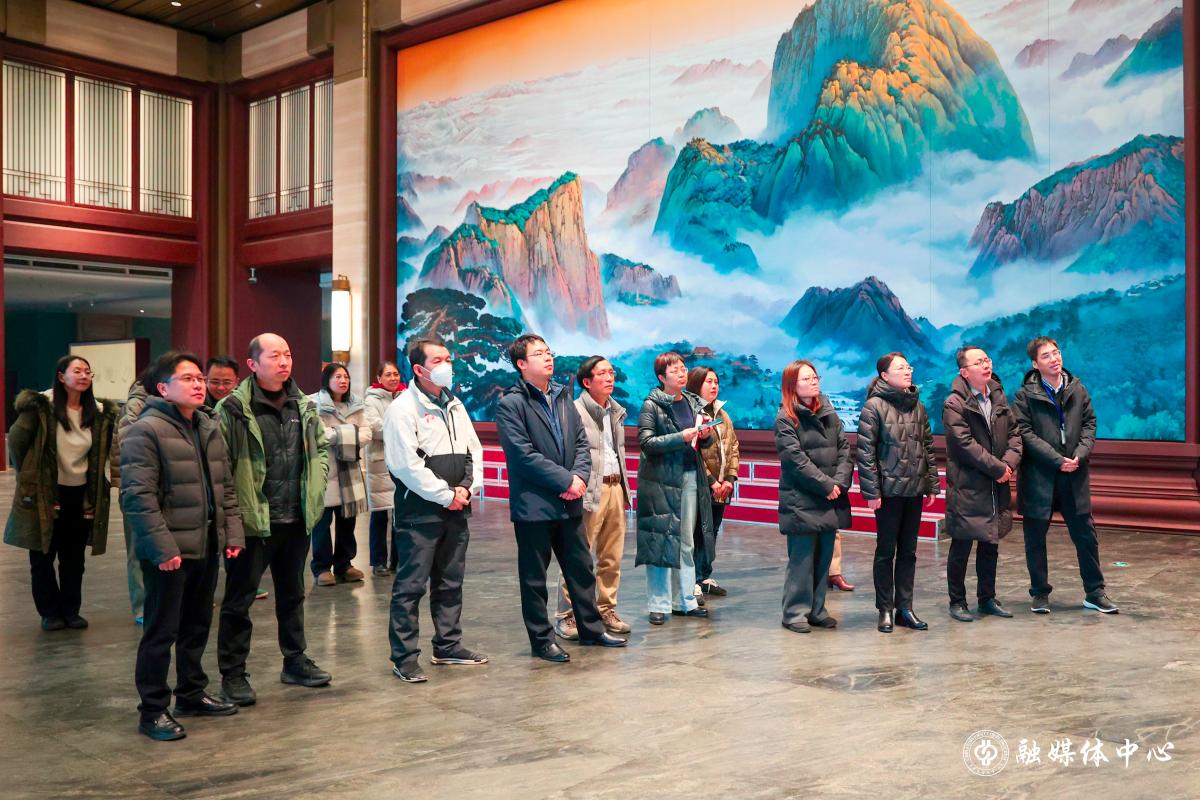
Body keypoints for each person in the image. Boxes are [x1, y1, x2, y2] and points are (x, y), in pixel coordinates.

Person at [121, 351, 246, 741]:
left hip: (205, 544)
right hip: (169, 551)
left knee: (196, 625)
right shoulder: (145, 430)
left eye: (199, 378)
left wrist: (232, 534)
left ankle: (191, 693)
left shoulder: (207, 426)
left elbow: (225, 489)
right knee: (161, 632)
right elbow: (138, 497)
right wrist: (163, 548)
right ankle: (153, 710)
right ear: (163, 388)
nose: (198, 385)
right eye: (187, 379)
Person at [493, 333, 628, 662]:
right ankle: (542, 640)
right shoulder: (511, 403)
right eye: (539, 354)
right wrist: (565, 480)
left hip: (570, 500)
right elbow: (522, 455)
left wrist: (578, 477)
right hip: (534, 505)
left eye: (548, 352)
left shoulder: (563, 396)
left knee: (581, 570)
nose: (548, 358)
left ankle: (591, 629)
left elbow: (582, 443)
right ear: (521, 364)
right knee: (534, 578)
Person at [215, 333, 332, 705]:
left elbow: (321, 449)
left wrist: (317, 485)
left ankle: (295, 660)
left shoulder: (304, 405)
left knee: (293, 595)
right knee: (239, 600)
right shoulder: (234, 408)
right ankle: (233, 674)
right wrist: (232, 518)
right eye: (274, 356)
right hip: (254, 520)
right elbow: (220, 466)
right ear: (253, 364)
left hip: (295, 517)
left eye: (288, 354)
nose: (284, 362)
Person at [384, 337, 488, 683]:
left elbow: (473, 451)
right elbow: (405, 465)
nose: (447, 366)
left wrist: (467, 489)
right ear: (418, 369)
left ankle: (448, 645)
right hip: (420, 513)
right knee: (411, 586)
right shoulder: (402, 408)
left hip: (457, 509)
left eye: (448, 359)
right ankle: (404, 657)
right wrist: (445, 495)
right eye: (438, 361)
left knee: (450, 581)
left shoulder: (455, 404)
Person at [5, 355, 118, 631]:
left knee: (74, 557)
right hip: (45, 492)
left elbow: (101, 453)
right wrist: (29, 476)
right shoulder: (40, 408)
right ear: (61, 376)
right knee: (42, 555)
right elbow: (17, 443)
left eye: (87, 372)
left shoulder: (98, 412)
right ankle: (49, 612)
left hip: (80, 494)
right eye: (77, 371)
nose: (84, 376)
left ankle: (70, 609)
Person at [1012, 336, 1118, 615]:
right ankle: (1039, 593)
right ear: (1035, 364)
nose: (1054, 359)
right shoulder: (1024, 395)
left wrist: (1079, 455)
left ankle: (1095, 592)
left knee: (1086, 535)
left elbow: (1089, 424)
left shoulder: (1077, 389)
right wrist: (1056, 460)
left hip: (1074, 473)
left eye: (1056, 353)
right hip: (1039, 476)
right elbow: (1025, 433)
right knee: (1035, 538)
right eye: (1046, 356)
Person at [856, 351, 939, 634]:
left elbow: (927, 447)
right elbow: (865, 453)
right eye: (901, 368)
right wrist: (872, 491)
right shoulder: (874, 406)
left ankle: (905, 608)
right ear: (884, 375)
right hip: (888, 491)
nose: (907, 371)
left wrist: (931, 484)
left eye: (908, 367)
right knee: (885, 551)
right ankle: (885, 609)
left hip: (914, 488)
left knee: (909, 552)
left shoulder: (918, 405)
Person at [553, 356, 632, 640]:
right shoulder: (574, 411)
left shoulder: (616, 411)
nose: (610, 378)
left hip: (615, 487)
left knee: (611, 555)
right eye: (602, 374)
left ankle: (605, 609)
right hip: (588, 490)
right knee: (577, 555)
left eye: (611, 373)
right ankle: (567, 614)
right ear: (587, 382)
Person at [942, 345, 1022, 623]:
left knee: (991, 543)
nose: (986, 364)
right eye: (978, 362)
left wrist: (1009, 464)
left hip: (996, 484)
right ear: (964, 372)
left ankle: (987, 598)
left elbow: (1015, 435)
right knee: (962, 545)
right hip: (968, 485)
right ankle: (957, 601)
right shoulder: (954, 403)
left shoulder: (998, 396)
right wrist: (998, 468)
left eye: (987, 359)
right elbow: (964, 445)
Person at [635, 351, 715, 626]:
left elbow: (701, 444)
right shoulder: (652, 405)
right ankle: (658, 604)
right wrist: (680, 437)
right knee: (660, 542)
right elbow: (646, 442)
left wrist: (705, 436)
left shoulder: (692, 402)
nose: (682, 373)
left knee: (686, 541)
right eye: (675, 370)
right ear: (661, 377)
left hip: (690, 475)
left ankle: (685, 600)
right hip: (660, 481)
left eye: (683, 368)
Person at [773, 360, 851, 633]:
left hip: (830, 496)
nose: (813, 381)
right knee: (802, 561)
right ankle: (795, 613)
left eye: (815, 377)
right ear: (792, 386)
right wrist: (826, 485)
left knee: (824, 558)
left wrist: (839, 482)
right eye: (806, 379)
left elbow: (844, 449)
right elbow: (796, 460)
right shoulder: (785, 418)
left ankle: (818, 610)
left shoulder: (829, 412)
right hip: (802, 499)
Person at [309, 362, 369, 587]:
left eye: (346, 377)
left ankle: (344, 564)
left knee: (347, 523)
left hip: (350, 472)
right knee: (321, 524)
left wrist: (338, 434)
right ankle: (322, 568)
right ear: (327, 380)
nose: (343, 381)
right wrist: (349, 434)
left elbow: (367, 433)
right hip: (326, 470)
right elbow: (319, 435)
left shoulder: (356, 405)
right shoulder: (314, 403)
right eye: (338, 377)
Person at [688, 366, 739, 600]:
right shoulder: (692, 413)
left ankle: (704, 575)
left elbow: (733, 447)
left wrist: (729, 478)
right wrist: (711, 481)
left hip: (722, 485)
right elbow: (695, 451)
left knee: (712, 531)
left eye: (716, 381)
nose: (714, 386)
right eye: (708, 382)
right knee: (698, 531)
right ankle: (692, 580)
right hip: (702, 484)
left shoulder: (722, 414)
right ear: (696, 384)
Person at [113, 373, 150, 624]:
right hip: (136, 487)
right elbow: (131, 444)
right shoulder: (136, 404)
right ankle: (142, 606)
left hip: (166, 488)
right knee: (138, 550)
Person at [364, 361, 406, 576]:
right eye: (388, 374)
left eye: (396, 374)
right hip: (380, 462)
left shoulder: (407, 396)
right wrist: (402, 428)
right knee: (380, 515)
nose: (393, 378)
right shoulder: (371, 400)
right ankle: (378, 562)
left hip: (403, 461)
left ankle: (397, 561)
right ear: (379, 378)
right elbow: (375, 427)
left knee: (401, 514)